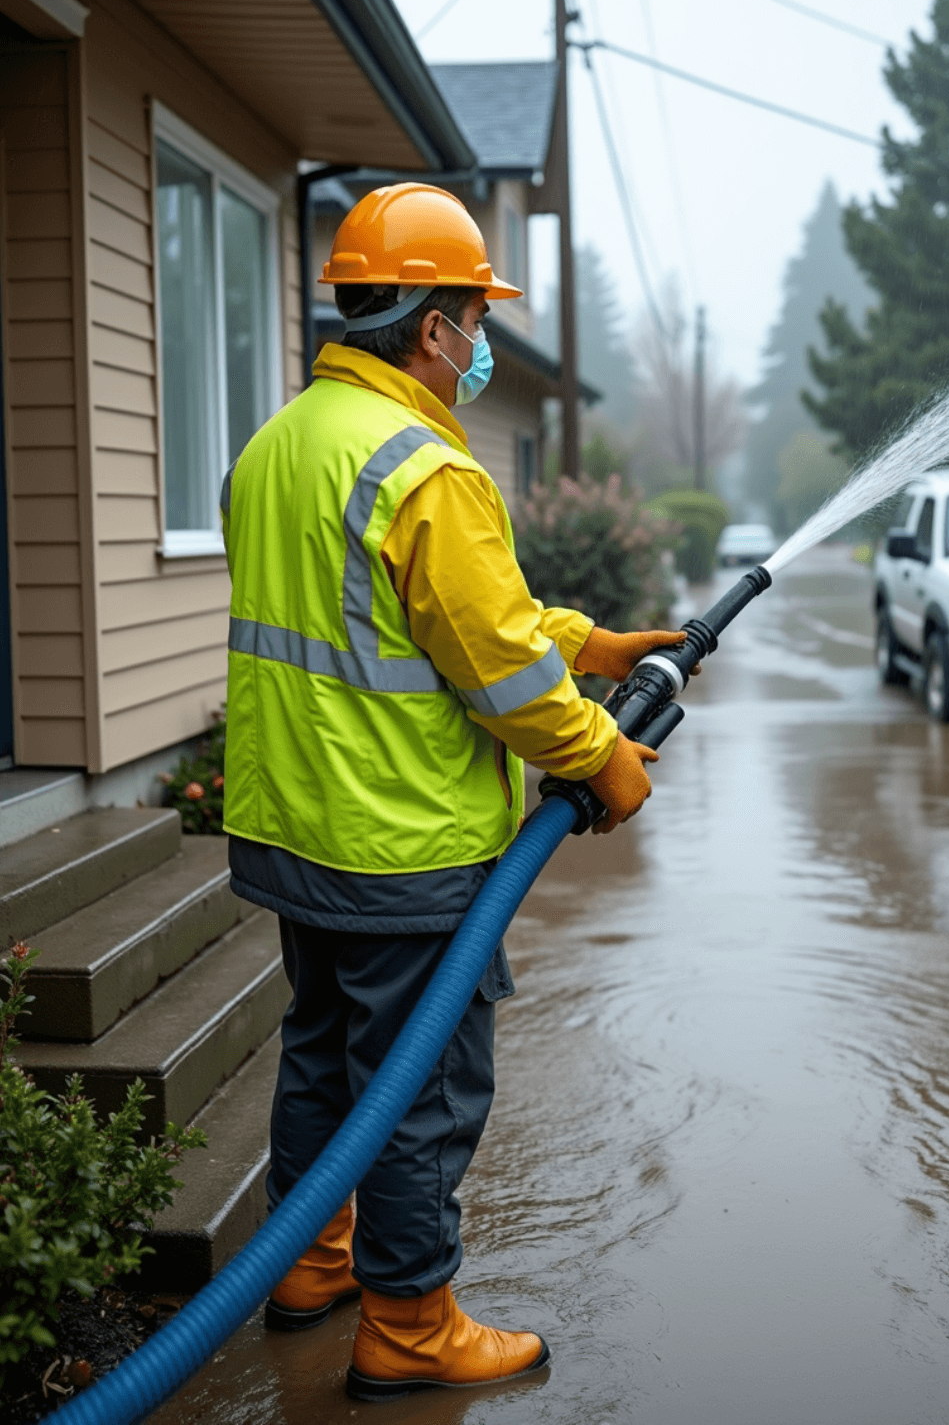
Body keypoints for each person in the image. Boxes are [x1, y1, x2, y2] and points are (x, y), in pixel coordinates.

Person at [221, 183, 687, 1402]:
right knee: (420, 1087)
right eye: (474, 316)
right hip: (402, 845)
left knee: (322, 1054)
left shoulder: (282, 445)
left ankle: (309, 1266)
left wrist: (592, 644)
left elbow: (444, 619)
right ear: (428, 325)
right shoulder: (424, 466)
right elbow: (495, 673)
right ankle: (411, 1327)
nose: (481, 341)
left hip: (292, 826)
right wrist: (601, 756)